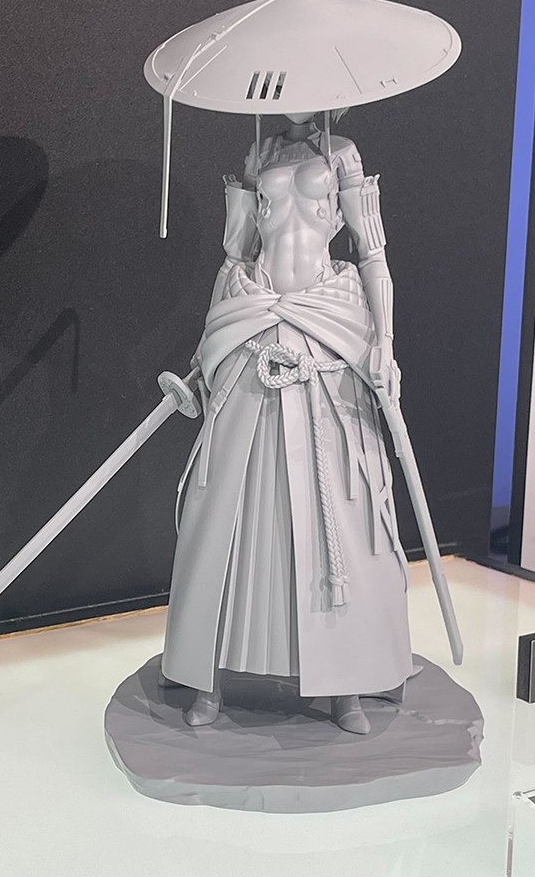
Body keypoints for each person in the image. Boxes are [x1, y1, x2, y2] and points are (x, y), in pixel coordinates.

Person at [160, 111, 414, 735]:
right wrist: (207, 344)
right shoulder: (259, 153)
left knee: (342, 501)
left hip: (329, 322)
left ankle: (345, 685)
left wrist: (385, 343)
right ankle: (207, 676)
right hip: (255, 316)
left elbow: (373, 254)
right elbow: (233, 253)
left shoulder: (344, 152)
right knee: (227, 500)